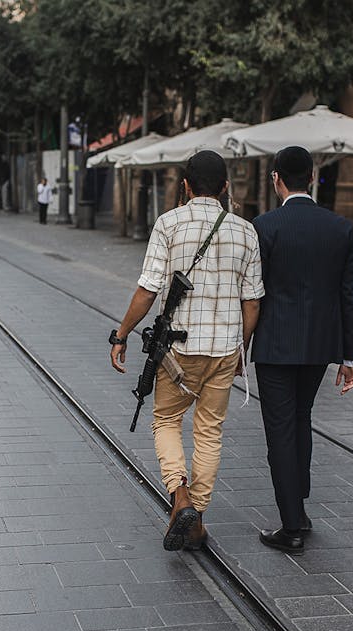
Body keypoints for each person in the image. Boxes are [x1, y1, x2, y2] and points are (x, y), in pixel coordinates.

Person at [109, 150, 264, 551]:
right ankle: (197, 518)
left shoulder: (169, 223)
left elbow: (148, 290)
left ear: (186, 186)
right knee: (209, 431)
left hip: (177, 351)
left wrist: (122, 334)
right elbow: (252, 302)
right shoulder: (246, 231)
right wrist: (242, 348)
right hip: (224, 350)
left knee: (166, 420)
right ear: (225, 187)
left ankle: (180, 498)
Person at [251, 146, 353, 555]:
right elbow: (349, 296)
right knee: (301, 418)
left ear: (276, 179)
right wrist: (350, 357)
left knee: (280, 429)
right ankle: (299, 507)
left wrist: (240, 347)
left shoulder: (264, 227)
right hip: (319, 346)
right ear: (312, 178)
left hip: (275, 346)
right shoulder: (341, 228)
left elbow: (253, 294)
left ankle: (291, 524)